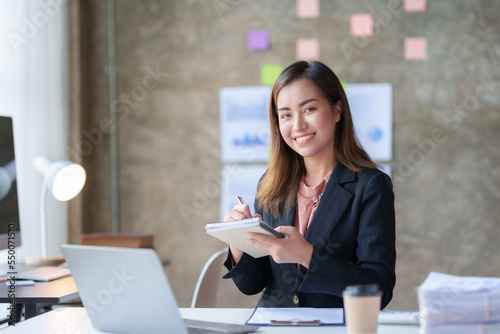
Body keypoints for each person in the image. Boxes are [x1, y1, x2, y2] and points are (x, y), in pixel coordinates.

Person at [222, 60, 396, 309]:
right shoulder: (271, 185)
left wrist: (308, 256)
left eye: (309, 109)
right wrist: (237, 240)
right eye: (286, 115)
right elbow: (254, 284)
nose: (298, 125)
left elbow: (378, 290)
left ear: (337, 111)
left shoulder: (370, 186)